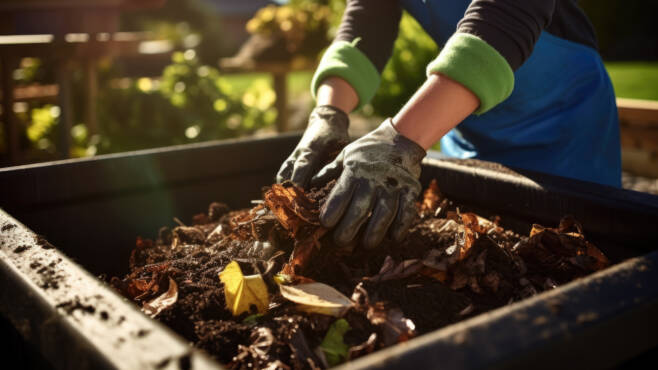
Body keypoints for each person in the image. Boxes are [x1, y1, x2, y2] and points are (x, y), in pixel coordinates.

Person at [277, 0, 620, 249]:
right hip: (463, 112)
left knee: (568, 252)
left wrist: (399, 142)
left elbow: (508, 14)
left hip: (562, 123)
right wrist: (328, 113)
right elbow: (366, 22)